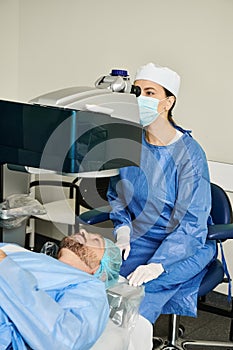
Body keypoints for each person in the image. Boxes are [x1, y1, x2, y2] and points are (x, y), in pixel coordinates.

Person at [107, 62, 217, 324]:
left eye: (150, 92)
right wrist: (122, 232)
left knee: (137, 298)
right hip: (139, 240)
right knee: (105, 286)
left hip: (185, 246)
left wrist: (158, 265)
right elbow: (117, 196)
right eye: (137, 91)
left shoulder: (189, 155)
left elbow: (192, 224)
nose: (141, 98)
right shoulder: (128, 144)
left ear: (168, 102)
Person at [0, 229, 121, 350]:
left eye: (96, 240)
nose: (83, 231)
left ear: (101, 270)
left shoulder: (91, 288)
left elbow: (67, 340)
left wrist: (5, 267)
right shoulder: (29, 255)